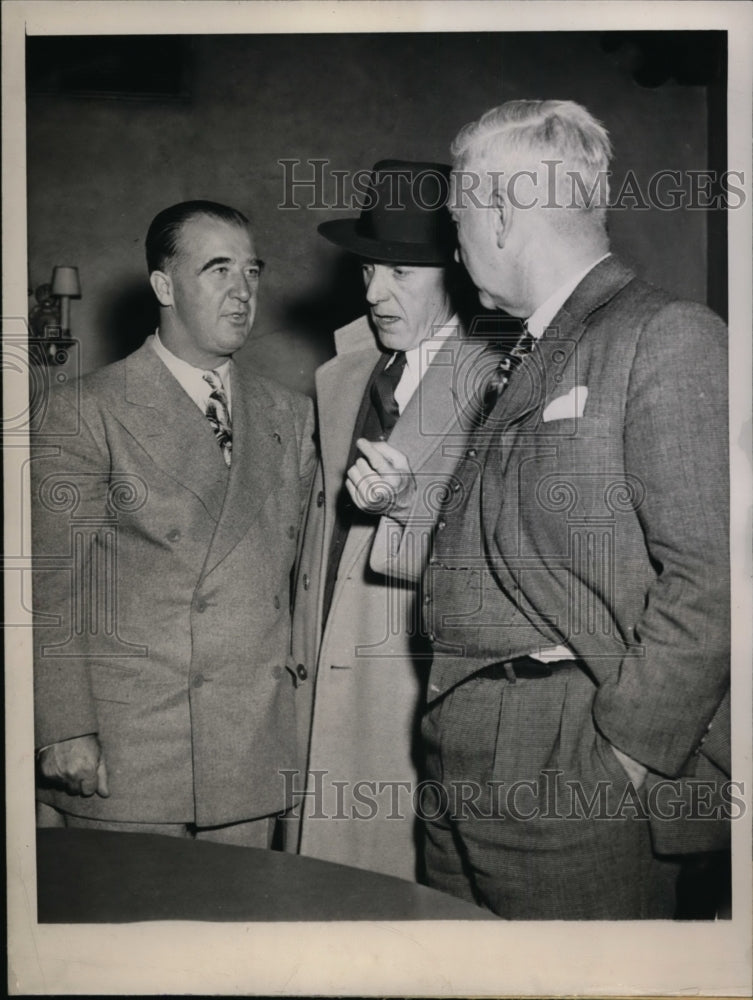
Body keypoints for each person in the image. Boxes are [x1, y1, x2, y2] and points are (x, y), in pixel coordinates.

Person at [348, 102, 730, 917]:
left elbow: (716, 574)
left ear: (500, 212)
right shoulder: (518, 352)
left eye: (456, 219)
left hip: (573, 758)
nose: (453, 246)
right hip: (464, 748)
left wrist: (624, 754)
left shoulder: (664, 334)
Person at [33, 200, 316, 847]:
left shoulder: (289, 414)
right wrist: (64, 727)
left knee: (239, 943)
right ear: (163, 285)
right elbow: (48, 588)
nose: (241, 292)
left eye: (251, 272)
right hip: (132, 753)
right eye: (217, 270)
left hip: (249, 748)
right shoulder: (84, 410)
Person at [288, 160, 488, 880]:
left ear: (458, 272)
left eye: (403, 273)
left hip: (408, 700)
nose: (374, 293)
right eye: (369, 268)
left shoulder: (500, 380)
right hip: (319, 697)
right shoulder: (343, 375)